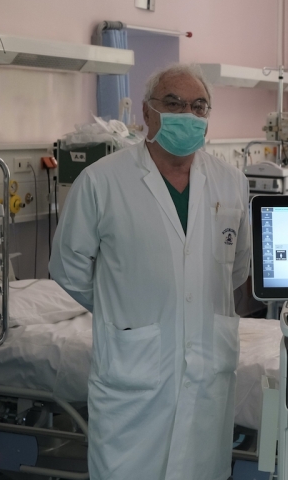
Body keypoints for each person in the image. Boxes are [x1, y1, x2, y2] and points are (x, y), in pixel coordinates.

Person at [49, 64, 250, 480]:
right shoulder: (102, 181)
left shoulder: (232, 182)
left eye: (199, 106)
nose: (187, 114)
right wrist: (124, 309)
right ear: (147, 112)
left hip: (208, 373)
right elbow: (68, 268)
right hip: (133, 380)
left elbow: (238, 267)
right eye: (173, 104)